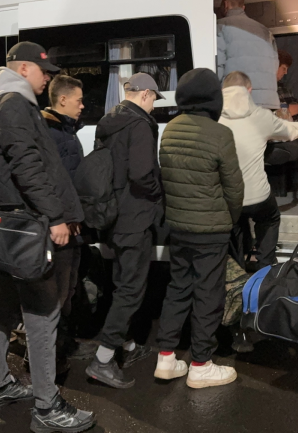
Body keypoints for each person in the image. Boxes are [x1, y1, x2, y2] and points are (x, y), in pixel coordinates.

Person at [0, 41, 95, 432]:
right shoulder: (13, 103)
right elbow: (29, 167)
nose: (48, 78)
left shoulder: (3, 101)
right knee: (43, 314)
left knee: (4, 306)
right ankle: (47, 408)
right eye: (44, 71)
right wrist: (56, 216)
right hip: (26, 227)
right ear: (23, 68)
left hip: (11, 226)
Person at [153, 67, 244, 389]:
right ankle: (201, 364)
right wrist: (230, 219)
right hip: (211, 230)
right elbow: (234, 189)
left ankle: (166, 358)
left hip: (178, 227)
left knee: (178, 288)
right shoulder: (220, 134)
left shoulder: (171, 128)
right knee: (208, 294)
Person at [85, 72, 164, 389]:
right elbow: (143, 173)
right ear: (145, 94)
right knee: (131, 290)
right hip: (135, 218)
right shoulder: (140, 124)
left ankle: (128, 346)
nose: (154, 107)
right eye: (154, 100)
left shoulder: (109, 120)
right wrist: (158, 194)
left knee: (121, 285)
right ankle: (102, 361)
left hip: (112, 215)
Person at [219, 71, 298, 269]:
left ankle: (237, 269)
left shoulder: (214, 119)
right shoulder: (260, 116)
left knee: (235, 225)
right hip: (257, 196)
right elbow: (291, 132)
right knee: (270, 219)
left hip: (227, 198)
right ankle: (265, 266)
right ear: (249, 90)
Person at [41, 74, 86, 369]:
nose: (83, 106)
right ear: (63, 99)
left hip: (70, 223)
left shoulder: (65, 131)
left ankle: (61, 345)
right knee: (57, 291)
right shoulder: (53, 134)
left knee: (67, 287)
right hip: (60, 227)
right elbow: (54, 183)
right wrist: (64, 218)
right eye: (79, 100)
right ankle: (51, 356)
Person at [217, 0, 280, 109]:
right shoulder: (265, 30)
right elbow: (275, 65)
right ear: (243, 7)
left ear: (226, 5)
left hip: (237, 102)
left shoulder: (220, 26)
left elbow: (218, 66)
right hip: (267, 102)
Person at [277, 50, 298, 118]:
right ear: (275, 66)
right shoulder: (269, 90)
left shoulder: (282, 86)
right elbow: (285, 112)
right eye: (284, 68)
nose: (286, 72)